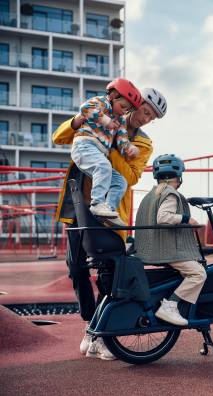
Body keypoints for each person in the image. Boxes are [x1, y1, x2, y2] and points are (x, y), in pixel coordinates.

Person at [53, 87, 168, 360]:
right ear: (134, 103)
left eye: (152, 117)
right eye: (145, 111)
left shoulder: (143, 143)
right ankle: (91, 328)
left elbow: (130, 176)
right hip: (79, 207)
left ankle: (105, 333)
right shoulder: (101, 113)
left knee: (108, 272)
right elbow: (59, 137)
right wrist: (82, 123)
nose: (146, 118)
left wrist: (114, 139)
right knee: (76, 268)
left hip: (108, 210)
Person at [134, 154, 206, 326]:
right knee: (198, 273)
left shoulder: (151, 195)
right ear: (179, 177)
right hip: (165, 250)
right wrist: (187, 219)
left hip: (149, 248)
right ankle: (171, 305)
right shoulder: (170, 194)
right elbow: (164, 218)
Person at [72, 78, 142, 226]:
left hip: (98, 152)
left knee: (120, 181)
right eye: (123, 106)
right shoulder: (102, 102)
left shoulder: (121, 120)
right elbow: (85, 108)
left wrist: (129, 148)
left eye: (127, 110)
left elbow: (122, 140)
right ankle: (97, 204)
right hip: (84, 145)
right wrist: (106, 120)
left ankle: (108, 211)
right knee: (103, 166)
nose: (124, 111)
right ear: (113, 95)